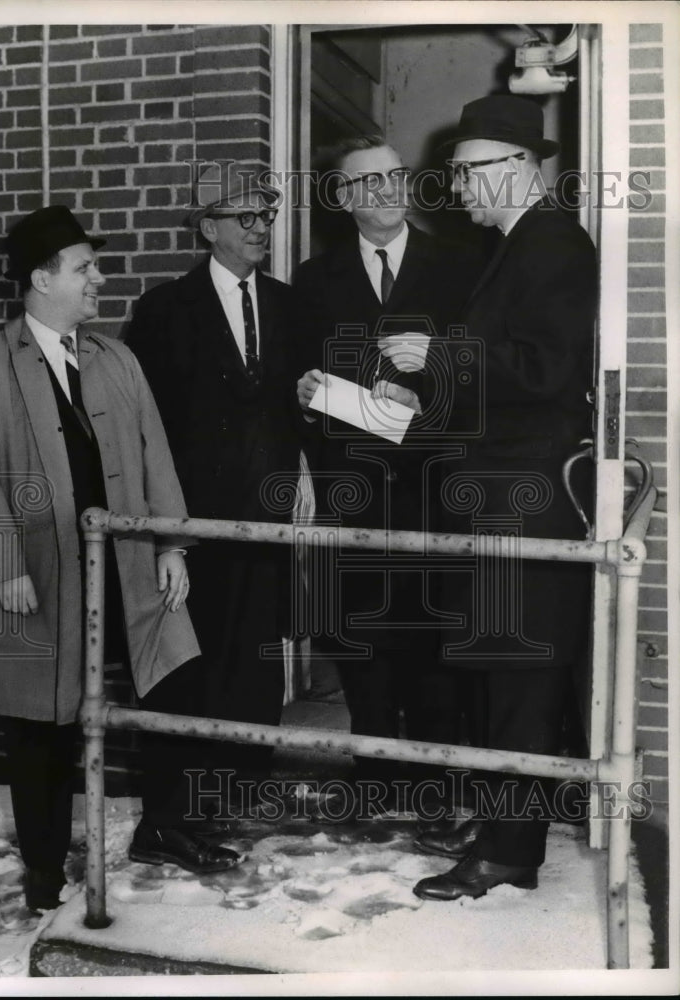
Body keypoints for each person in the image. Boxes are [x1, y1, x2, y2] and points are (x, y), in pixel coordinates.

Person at [0, 206, 241, 913]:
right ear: (42, 280)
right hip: (34, 576)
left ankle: (165, 828)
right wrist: (3, 565)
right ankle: (45, 872)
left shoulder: (115, 358)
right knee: (38, 725)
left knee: (174, 683)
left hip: (127, 564)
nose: (98, 280)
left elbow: (154, 455)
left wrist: (171, 542)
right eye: (84, 268)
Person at [412, 95, 598, 900]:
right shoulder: (520, 246)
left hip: (522, 501)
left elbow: (547, 374)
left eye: (467, 172)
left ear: (519, 167)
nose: (457, 188)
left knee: (518, 676)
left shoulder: (553, 241)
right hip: (501, 496)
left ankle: (510, 853)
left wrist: (441, 354)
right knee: (495, 670)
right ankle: (501, 824)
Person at [294, 135, 476, 815]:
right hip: (357, 497)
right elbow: (307, 390)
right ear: (342, 198)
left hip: (437, 495)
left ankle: (433, 793)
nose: (389, 189)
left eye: (396, 175)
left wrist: (427, 401)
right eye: (368, 182)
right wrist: (310, 394)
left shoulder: (462, 266)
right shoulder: (313, 282)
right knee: (362, 644)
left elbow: (485, 381)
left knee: (435, 649)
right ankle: (371, 788)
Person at [125, 164, 302, 809]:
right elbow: (144, 425)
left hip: (268, 517)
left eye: (267, 216)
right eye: (245, 218)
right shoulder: (165, 309)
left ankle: (249, 786)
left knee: (258, 652)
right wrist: (163, 525)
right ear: (207, 229)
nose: (261, 229)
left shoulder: (289, 304)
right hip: (193, 522)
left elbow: (297, 404)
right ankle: (188, 802)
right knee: (193, 658)